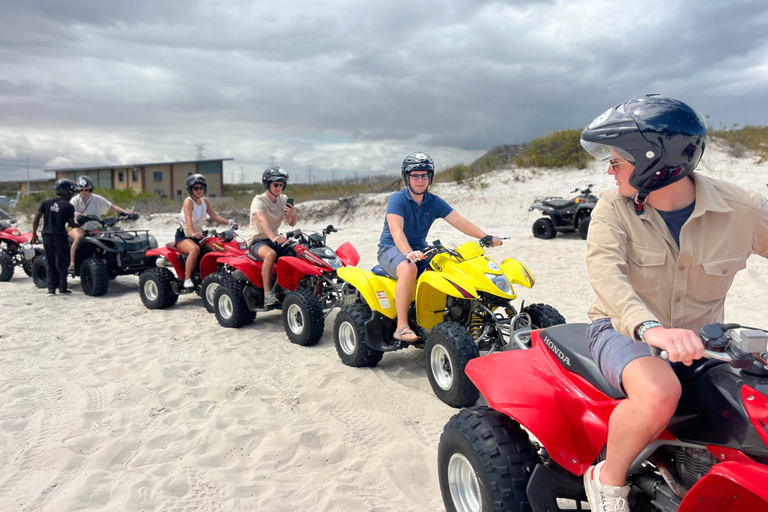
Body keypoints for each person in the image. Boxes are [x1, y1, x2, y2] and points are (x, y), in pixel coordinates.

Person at [580, 94, 768, 512]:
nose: (609, 170)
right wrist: (650, 328)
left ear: (653, 161)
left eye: (616, 161)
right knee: (659, 393)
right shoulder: (613, 207)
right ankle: (607, 481)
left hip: (704, 341)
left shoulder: (743, 209)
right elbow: (605, 274)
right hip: (623, 331)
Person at [377, 152, 502, 342]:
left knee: (450, 264)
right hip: (391, 249)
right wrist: (408, 252)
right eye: (415, 175)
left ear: (430, 178)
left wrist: (485, 237)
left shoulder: (433, 201)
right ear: (407, 177)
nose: (420, 180)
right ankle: (402, 326)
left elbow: (460, 221)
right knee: (408, 269)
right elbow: (396, 230)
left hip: (422, 250)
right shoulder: (398, 199)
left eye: (424, 175)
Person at [247, 167, 297, 306]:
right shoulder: (259, 200)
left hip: (275, 238)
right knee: (270, 254)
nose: (279, 188)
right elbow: (262, 221)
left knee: (297, 250)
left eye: (281, 185)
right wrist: (273, 237)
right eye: (276, 184)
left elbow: (292, 223)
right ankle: (267, 294)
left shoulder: (284, 199)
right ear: (267, 184)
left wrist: (292, 214)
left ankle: (292, 287)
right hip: (257, 240)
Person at [176, 174, 235, 288]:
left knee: (217, 246)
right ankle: (187, 279)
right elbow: (188, 219)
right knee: (194, 249)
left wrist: (229, 223)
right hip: (184, 235)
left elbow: (214, 216)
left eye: (201, 188)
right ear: (190, 189)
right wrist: (193, 233)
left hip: (199, 234)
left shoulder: (205, 201)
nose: (199, 190)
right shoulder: (188, 201)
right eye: (196, 188)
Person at [68, 175, 132, 268]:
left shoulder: (97, 199)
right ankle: (72, 263)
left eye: (86, 190)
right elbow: (69, 212)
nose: (84, 192)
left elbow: (112, 206)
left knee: (109, 237)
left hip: (93, 228)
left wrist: (126, 212)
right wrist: (76, 214)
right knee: (79, 237)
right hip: (77, 227)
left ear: (90, 189)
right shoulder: (74, 200)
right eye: (81, 190)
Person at [30, 179, 79, 296]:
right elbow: (71, 224)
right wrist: (81, 225)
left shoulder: (46, 202)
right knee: (62, 262)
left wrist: (34, 233)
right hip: (60, 236)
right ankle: (63, 288)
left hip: (46, 235)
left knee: (50, 261)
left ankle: (51, 289)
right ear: (67, 191)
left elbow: (37, 218)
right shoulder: (69, 206)